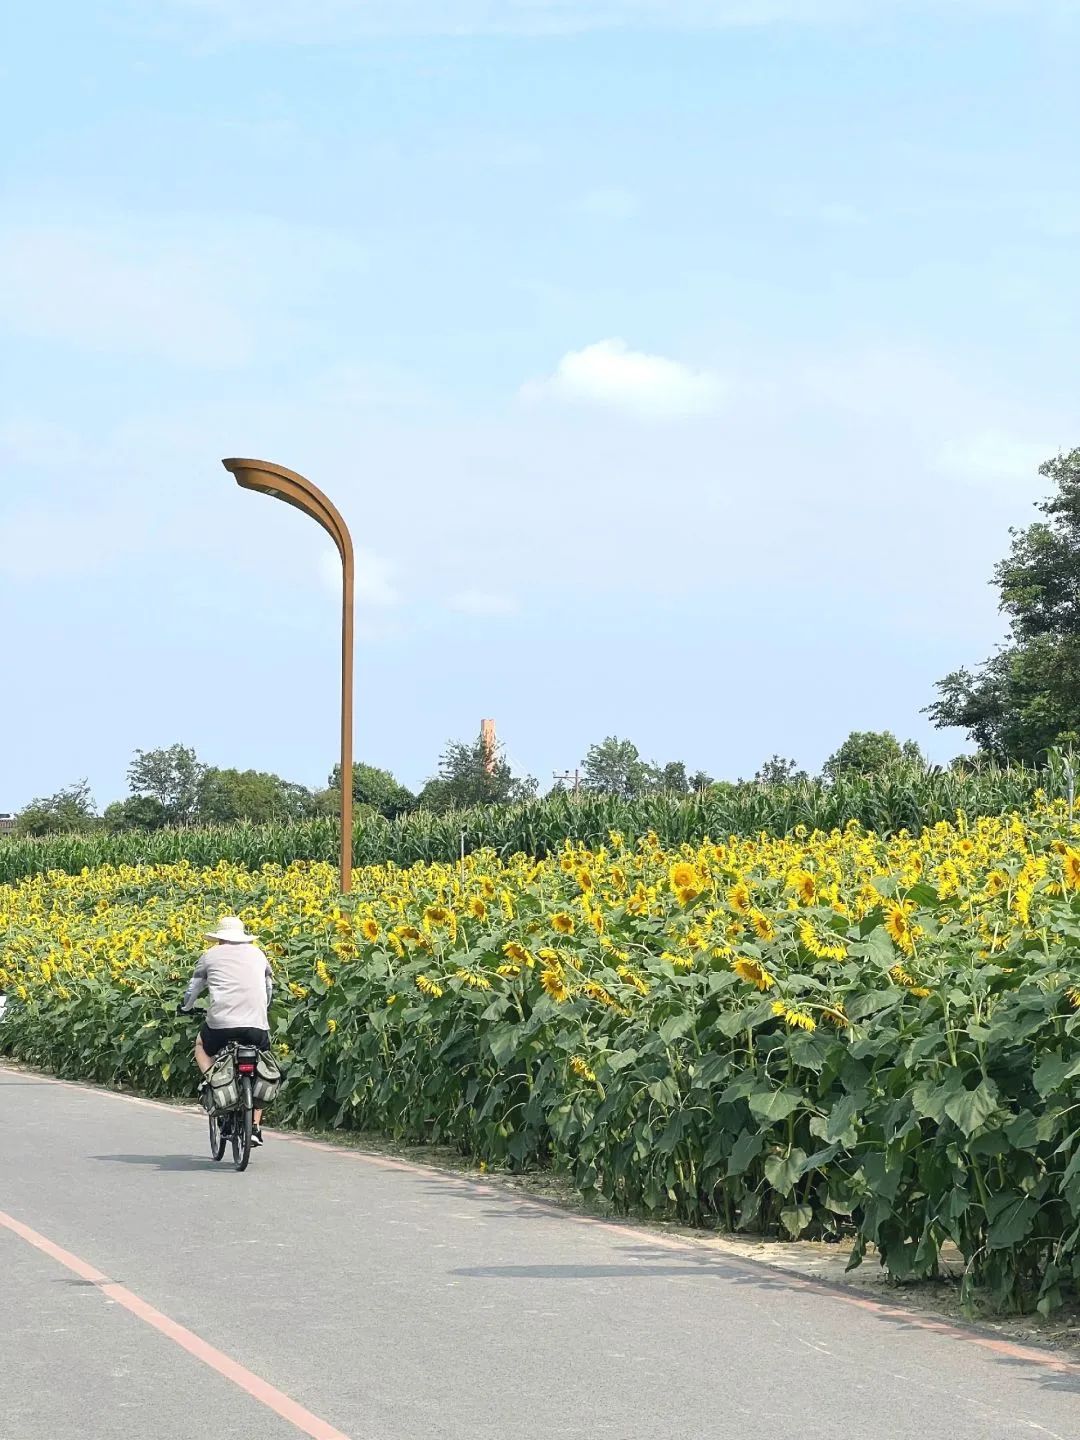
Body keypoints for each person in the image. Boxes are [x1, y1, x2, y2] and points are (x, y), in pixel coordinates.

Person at [179, 915, 273, 1147]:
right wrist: (263, 1008)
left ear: (219, 939)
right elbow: (269, 987)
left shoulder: (209, 956)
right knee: (261, 1066)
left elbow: (193, 989)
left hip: (221, 1025)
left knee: (201, 1045)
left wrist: (185, 1007)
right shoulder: (258, 954)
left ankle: (214, 1082)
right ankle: (255, 1127)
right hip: (256, 1025)